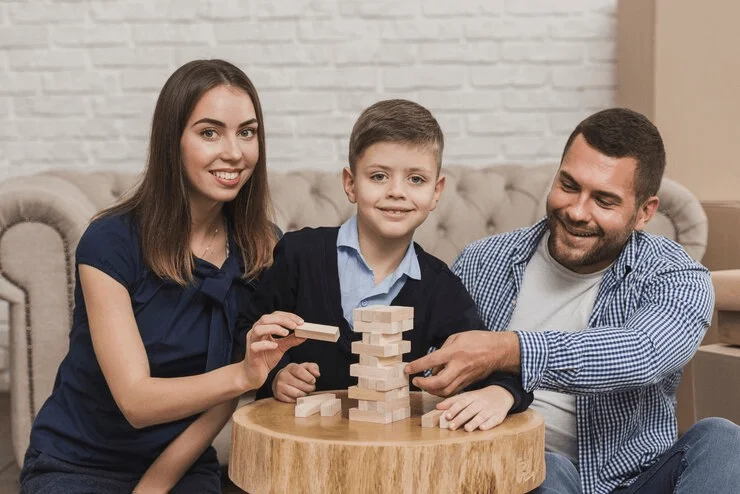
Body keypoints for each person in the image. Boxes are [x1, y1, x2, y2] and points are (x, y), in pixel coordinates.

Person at [405, 108, 740, 493]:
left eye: (605, 200)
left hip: (634, 482)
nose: (578, 211)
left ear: (644, 212)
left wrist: (508, 349)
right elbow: (427, 365)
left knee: (724, 439)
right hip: (523, 476)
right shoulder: (483, 261)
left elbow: (641, 353)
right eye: (569, 185)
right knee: (547, 468)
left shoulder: (677, 276)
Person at [19, 59, 305, 494]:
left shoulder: (262, 247)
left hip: (183, 462)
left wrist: (156, 485)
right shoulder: (110, 241)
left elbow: (225, 393)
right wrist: (246, 376)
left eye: (247, 132)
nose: (234, 152)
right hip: (78, 462)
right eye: (210, 132)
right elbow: (136, 402)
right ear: (172, 141)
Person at [239, 99, 532, 431]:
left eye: (416, 180)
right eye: (379, 176)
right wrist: (277, 375)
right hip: (304, 448)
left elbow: (494, 363)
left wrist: (501, 393)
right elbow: (248, 332)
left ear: (437, 192)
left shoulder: (439, 287)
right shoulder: (300, 253)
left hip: (388, 455)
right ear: (350, 184)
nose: (397, 192)